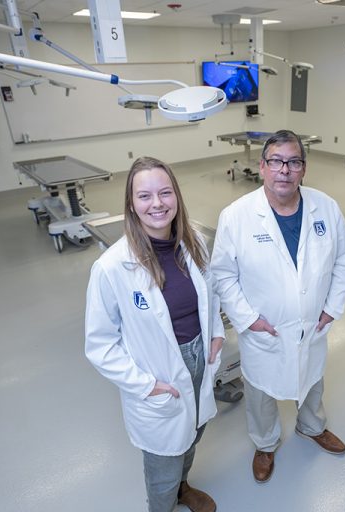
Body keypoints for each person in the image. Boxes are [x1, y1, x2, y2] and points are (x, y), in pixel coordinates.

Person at [211, 129, 345, 483]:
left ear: (303, 168)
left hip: (312, 324)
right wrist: (248, 320)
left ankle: (312, 426)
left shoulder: (326, 207)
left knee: (312, 379)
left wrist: (333, 307)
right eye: (275, 161)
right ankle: (265, 443)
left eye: (293, 162)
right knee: (260, 392)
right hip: (265, 328)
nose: (284, 170)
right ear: (262, 167)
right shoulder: (237, 215)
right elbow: (223, 275)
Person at [85, 157, 224, 512]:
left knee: (193, 433)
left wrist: (217, 335)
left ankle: (183, 488)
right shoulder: (112, 267)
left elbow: (210, 298)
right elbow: (100, 346)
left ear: (176, 196)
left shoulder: (194, 244)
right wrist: (147, 385)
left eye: (165, 192)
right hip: (158, 375)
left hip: (199, 360)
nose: (157, 203)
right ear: (131, 204)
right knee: (163, 461)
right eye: (145, 196)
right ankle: (163, 502)